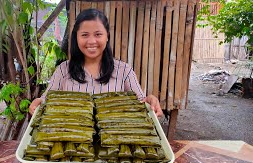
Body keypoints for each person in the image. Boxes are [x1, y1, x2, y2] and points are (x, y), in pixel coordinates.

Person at [29, 9, 163, 117]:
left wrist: (150, 100)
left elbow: (141, 103)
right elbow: (46, 100)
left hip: (114, 144)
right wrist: (39, 102)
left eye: (98, 34)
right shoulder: (63, 70)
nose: (91, 41)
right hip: (73, 142)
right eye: (85, 35)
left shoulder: (124, 71)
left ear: (107, 36)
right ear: (76, 37)